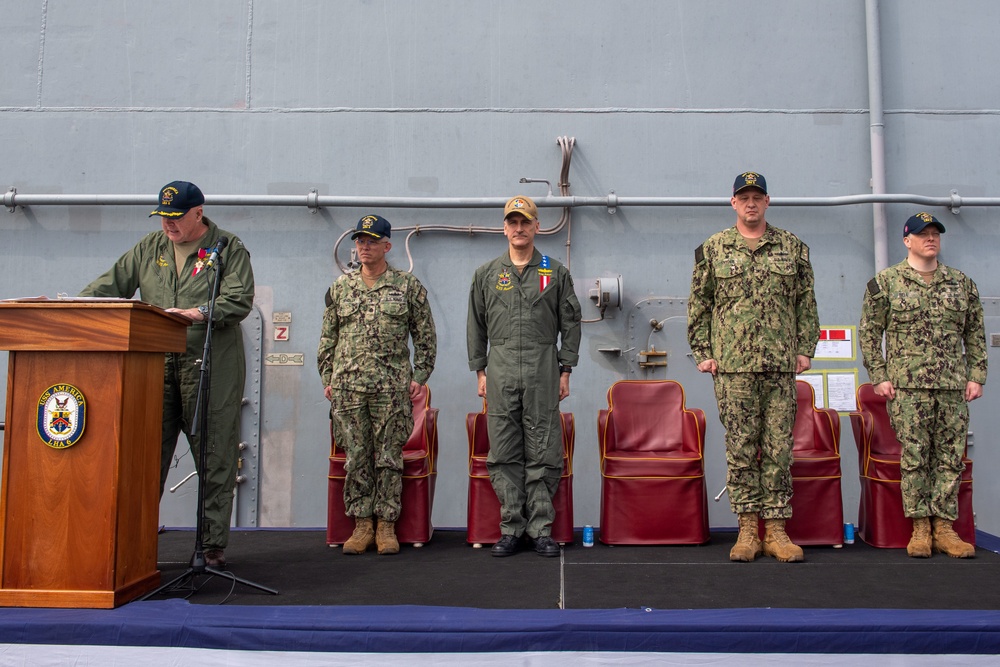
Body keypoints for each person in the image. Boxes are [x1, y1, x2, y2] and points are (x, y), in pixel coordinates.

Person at [79, 180, 255, 569]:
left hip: (209, 365)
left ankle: (210, 547)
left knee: (214, 454)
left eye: (176, 218)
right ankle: (135, 541)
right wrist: (76, 307)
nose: (169, 226)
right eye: (163, 217)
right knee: (143, 453)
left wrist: (196, 313)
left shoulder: (227, 247)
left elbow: (239, 298)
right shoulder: (149, 248)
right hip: (154, 363)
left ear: (198, 213)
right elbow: (107, 288)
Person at [687, 171, 820, 563]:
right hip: (733, 367)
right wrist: (702, 351)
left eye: (757, 197)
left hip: (779, 365)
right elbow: (699, 305)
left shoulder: (791, 247)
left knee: (779, 448)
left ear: (767, 202)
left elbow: (806, 303)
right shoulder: (713, 249)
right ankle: (747, 529)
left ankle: (776, 530)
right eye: (743, 197)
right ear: (733, 203)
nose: (750, 203)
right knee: (741, 448)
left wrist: (805, 348)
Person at [859, 212, 986, 559]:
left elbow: (974, 334)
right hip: (908, 387)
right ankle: (919, 528)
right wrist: (880, 375)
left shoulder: (961, 284)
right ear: (907, 240)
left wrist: (977, 375)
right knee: (915, 457)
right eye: (922, 233)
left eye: (935, 233)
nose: (930, 238)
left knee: (948, 458)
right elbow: (870, 334)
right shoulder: (886, 283)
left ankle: (944, 528)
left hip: (951, 387)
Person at [467, 195, 582, 558]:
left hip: (542, 369)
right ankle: (511, 528)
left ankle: (541, 529)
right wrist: (480, 371)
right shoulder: (487, 274)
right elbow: (476, 325)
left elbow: (571, 324)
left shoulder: (553, 271)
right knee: (503, 451)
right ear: (504, 228)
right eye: (512, 222)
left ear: (537, 226)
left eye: (525, 222)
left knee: (544, 449)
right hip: (500, 370)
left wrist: (565, 370)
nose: (519, 228)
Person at [318, 214, 437, 556]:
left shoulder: (407, 287)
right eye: (360, 241)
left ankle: (386, 524)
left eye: (371, 241)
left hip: (391, 388)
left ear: (387, 245)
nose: (364, 247)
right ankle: (361, 525)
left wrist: (419, 376)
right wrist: (328, 378)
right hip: (349, 388)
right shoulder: (340, 288)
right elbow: (328, 337)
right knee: (356, 457)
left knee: (388, 457)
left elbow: (425, 336)